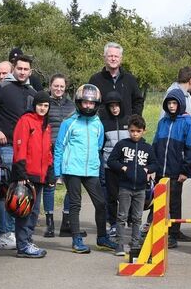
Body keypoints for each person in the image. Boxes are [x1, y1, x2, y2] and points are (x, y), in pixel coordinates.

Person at [0, 53, 38, 249]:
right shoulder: (2, 87)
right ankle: (2, 233)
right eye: (19, 69)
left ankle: (16, 232)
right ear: (13, 69)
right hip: (6, 145)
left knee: (21, 191)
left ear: (30, 71)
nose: (22, 72)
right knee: (3, 190)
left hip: (25, 149)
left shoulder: (32, 91)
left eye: (26, 69)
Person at [57, 84, 113, 254]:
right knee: (75, 204)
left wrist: (95, 164)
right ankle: (76, 240)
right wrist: (58, 173)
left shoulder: (98, 124)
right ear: (78, 102)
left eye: (92, 103)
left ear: (97, 105)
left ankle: (102, 238)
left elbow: (98, 146)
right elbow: (60, 146)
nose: (88, 106)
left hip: (91, 169)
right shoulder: (69, 123)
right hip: (72, 169)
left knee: (101, 203)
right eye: (85, 103)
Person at [152, 87, 191, 247]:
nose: (172, 106)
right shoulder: (162, 122)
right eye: (169, 103)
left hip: (176, 171)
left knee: (174, 202)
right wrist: (152, 167)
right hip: (160, 171)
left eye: (174, 103)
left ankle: (174, 232)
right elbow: (155, 144)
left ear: (180, 104)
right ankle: (157, 230)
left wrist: (186, 171)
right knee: (158, 201)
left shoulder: (187, 123)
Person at [107, 115, 157, 257]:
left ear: (144, 131)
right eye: (132, 131)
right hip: (125, 187)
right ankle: (120, 244)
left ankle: (135, 243)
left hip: (141, 188)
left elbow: (155, 163)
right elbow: (112, 161)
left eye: (138, 131)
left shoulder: (147, 147)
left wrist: (147, 169)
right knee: (122, 216)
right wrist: (123, 168)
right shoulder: (122, 145)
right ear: (129, 130)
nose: (135, 134)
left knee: (137, 217)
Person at [11, 95, 53, 258]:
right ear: (34, 105)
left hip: (40, 174)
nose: (43, 108)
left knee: (34, 211)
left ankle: (27, 240)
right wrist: (21, 171)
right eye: (40, 105)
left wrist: (50, 172)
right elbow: (19, 145)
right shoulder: (26, 121)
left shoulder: (46, 125)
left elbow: (48, 150)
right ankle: (22, 244)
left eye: (46, 105)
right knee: (24, 210)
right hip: (27, 174)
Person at [42, 73, 75, 238]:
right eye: (56, 86)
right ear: (50, 86)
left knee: (71, 185)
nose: (59, 89)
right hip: (50, 148)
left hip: (68, 150)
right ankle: (49, 223)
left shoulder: (72, 105)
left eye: (62, 86)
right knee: (50, 186)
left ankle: (67, 222)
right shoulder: (45, 104)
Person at [98, 91, 130, 243]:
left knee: (126, 195)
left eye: (116, 105)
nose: (114, 109)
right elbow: (100, 145)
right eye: (111, 106)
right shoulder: (104, 123)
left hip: (126, 165)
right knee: (111, 196)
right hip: (109, 165)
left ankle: (127, 220)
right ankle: (113, 223)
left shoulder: (128, 120)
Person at [88, 41, 145, 117]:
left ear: (121, 58)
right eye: (110, 56)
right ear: (104, 57)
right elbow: (90, 103)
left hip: (126, 126)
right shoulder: (95, 80)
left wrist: (134, 120)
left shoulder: (130, 79)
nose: (113, 59)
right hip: (103, 126)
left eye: (116, 56)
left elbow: (138, 101)